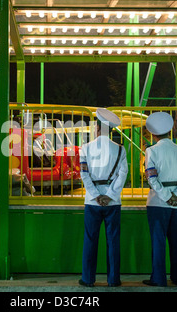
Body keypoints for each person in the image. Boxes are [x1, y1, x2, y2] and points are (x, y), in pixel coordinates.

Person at [143, 112, 177, 287]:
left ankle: (158, 278)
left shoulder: (151, 151)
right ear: (170, 130)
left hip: (158, 202)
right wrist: (176, 196)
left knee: (158, 241)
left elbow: (152, 178)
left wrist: (165, 196)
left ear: (153, 133)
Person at [78, 108, 128, 287]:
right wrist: (109, 195)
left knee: (90, 240)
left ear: (98, 129)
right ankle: (114, 279)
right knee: (113, 241)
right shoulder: (120, 150)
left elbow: (84, 175)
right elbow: (123, 175)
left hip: (92, 202)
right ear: (111, 130)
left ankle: (88, 279)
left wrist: (96, 195)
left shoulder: (85, 148)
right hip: (113, 203)